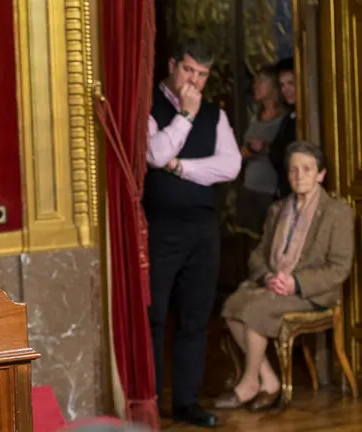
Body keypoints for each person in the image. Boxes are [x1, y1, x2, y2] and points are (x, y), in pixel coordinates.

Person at [144, 40, 241, 428]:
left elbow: (230, 166)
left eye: (202, 74)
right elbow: (153, 154)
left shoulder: (215, 115)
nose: (194, 81)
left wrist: (180, 167)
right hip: (160, 228)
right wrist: (184, 115)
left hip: (203, 229)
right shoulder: (149, 105)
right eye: (188, 71)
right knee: (155, 317)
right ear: (172, 65)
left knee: (195, 319)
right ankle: (148, 404)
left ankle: (187, 403)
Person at [215, 141, 353, 411]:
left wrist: (295, 283)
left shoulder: (337, 212)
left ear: (321, 174)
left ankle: (248, 383)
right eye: (293, 170)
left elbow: (339, 267)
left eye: (307, 169)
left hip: (311, 293)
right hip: (274, 285)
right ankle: (268, 380)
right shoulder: (278, 209)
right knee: (231, 306)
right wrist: (267, 276)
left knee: (255, 310)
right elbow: (258, 255)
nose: (299, 176)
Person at [236, 65, 286, 235]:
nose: (255, 85)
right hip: (250, 188)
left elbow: (287, 151)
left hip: (270, 192)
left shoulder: (286, 119)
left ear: (274, 86)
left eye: (261, 81)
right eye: (255, 81)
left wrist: (266, 148)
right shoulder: (254, 117)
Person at [268, 58, 296, 199]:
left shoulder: (308, 116)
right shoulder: (289, 116)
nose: (286, 89)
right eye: (282, 85)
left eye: (290, 83)